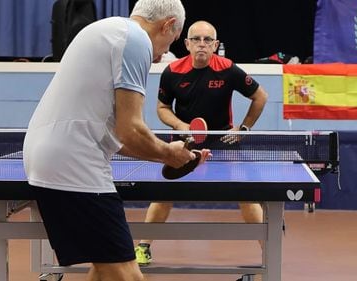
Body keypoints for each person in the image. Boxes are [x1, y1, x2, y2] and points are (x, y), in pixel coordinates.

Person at [23, 1, 211, 281]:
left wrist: (168, 152)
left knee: (104, 269)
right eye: (168, 43)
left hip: (49, 155)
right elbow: (131, 130)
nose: (160, 56)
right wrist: (170, 155)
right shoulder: (136, 41)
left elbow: (119, 137)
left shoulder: (106, 29)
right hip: (75, 163)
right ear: (168, 25)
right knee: (128, 276)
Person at [135, 20, 269, 267]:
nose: (202, 44)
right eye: (196, 39)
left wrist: (244, 128)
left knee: (247, 196)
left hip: (223, 140)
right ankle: (143, 247)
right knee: (164, 194)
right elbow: (163, 108)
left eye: (208, 40)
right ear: (186, 43)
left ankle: (269, 249)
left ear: (216, 45)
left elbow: (260, 96)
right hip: (183, 143)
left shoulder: (228, 69)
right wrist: (179, 126)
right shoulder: (172, 72)